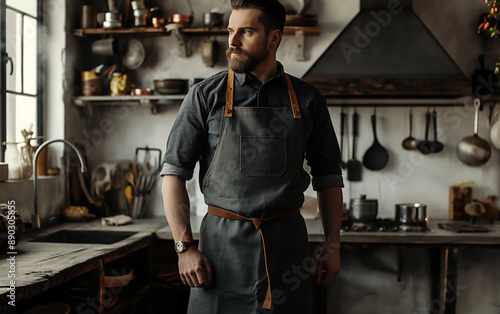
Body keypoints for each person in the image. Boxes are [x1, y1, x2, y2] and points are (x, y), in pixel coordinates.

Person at [161, 0, 344, 312]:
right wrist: (184, 247)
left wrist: (333, 245)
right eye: (231, 31)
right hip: (219, 255)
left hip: (288, 253)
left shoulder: (309, 99)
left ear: (274, 38)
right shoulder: (206, 96)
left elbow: (328, 178)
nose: (232, 42)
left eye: (245, 32)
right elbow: (173, 174)